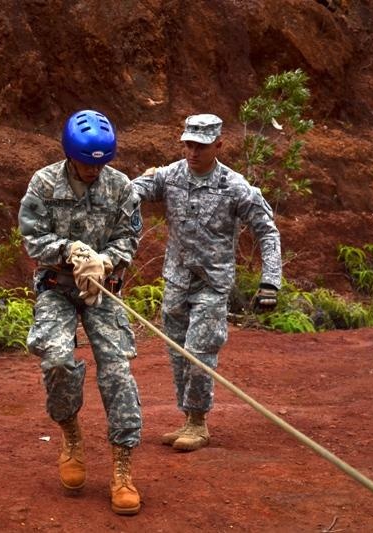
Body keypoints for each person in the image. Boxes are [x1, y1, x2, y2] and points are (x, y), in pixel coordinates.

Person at [17, 109, 144, 515]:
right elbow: (32, 239)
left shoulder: (122, 187)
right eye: (87, 163)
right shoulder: (44, 183)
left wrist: (106, 262)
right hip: (57, 288)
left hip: (104, 291)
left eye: (101, 164)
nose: (94, 170)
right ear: (71, 155)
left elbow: (130, 238)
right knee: (56, 360)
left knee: (118, 371)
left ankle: (122, 469)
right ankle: (71, 435)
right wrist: (69, 251)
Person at [131, 113, 282, 452]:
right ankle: (188, 417)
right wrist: (128, 186)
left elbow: (267, 230)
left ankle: (198, 422)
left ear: (218, 144)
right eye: (188, 144)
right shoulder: (170, 176)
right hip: (176, 281)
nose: (193, 152)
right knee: (178, 352)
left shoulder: (235, 186)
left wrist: (270, 281)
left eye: (200, 146)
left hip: (212, 284)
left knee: (200, 350)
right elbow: (132, 192)